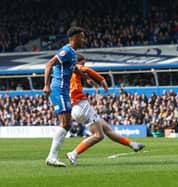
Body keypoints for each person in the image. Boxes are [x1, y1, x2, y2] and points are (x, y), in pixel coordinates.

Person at [66, 54, 144, 165]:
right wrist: (101, 80)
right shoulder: (77, 67)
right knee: (99, 136)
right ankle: (74, 153)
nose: (84, 65)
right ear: (78, 62)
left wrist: (87, 79)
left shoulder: (67, 72)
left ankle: (132, 144)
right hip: (81, 105)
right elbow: (85, 69)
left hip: (75, 108)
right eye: (83, 63)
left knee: (106, 128)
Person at [44, 27, 86, 167]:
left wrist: (84, 76)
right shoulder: (66, 51)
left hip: (64, 90)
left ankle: (52, 156)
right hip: (58, 88)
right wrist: (46, 85)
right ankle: (52, 157)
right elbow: (49, 64)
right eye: (82, 37)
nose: (83, 40)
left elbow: (72, 68)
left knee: (67, 124)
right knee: (66, 123)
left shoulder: (73, 54)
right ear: (74, 38)